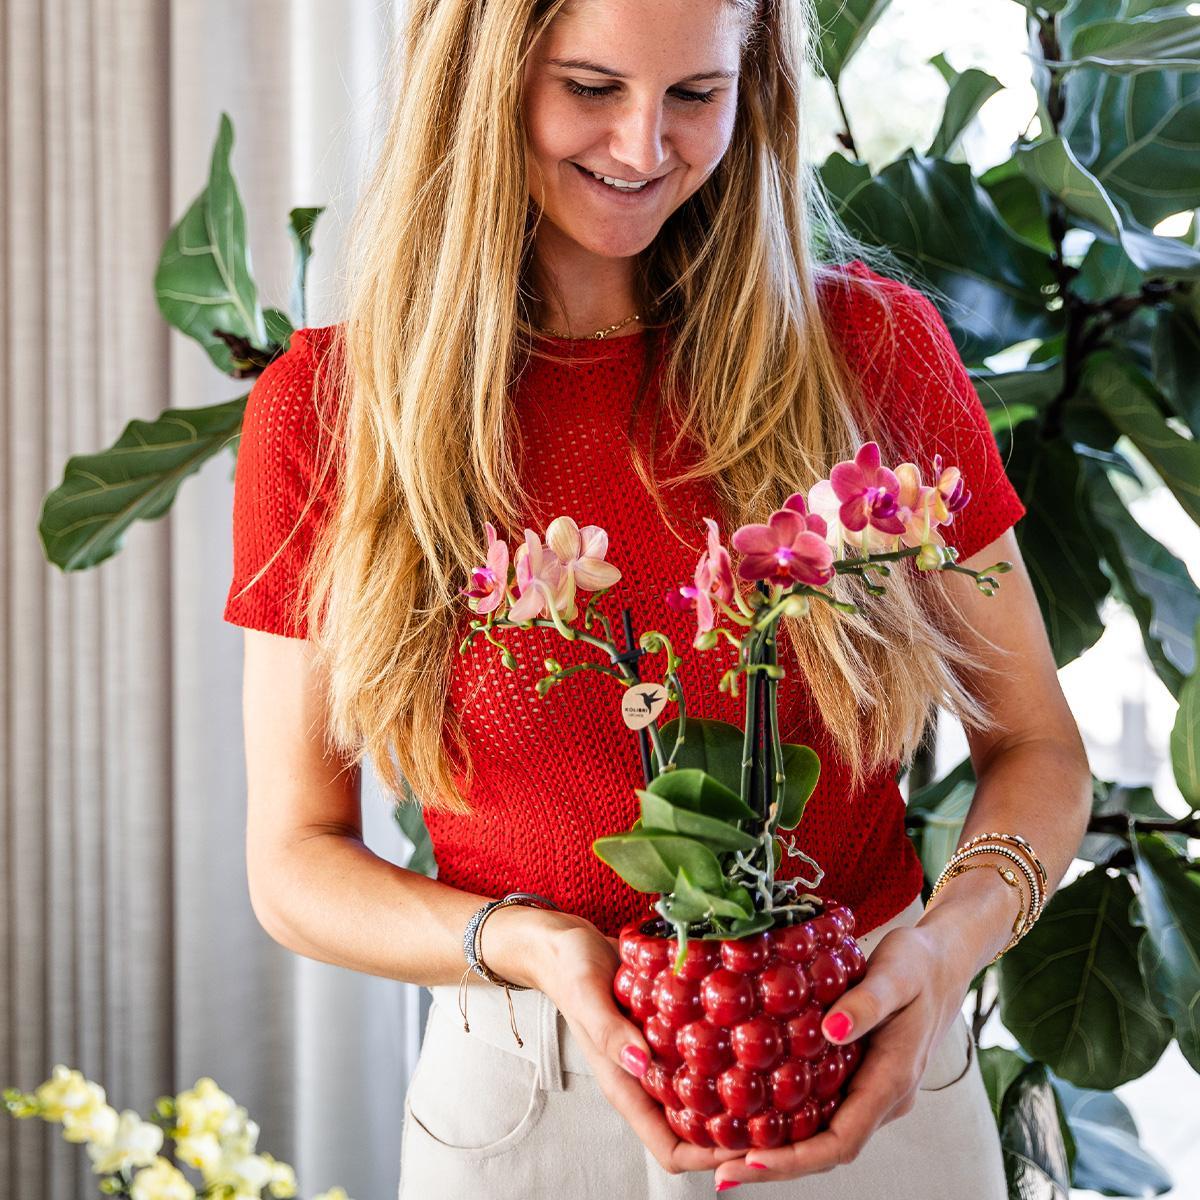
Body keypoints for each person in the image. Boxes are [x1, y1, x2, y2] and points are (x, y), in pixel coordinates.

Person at [223, 0, 1092, 1196]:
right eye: (589, 88)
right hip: (529, 1096)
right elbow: (295, 859)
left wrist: (943, 954)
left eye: (694, 95)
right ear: (480, 82)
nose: (643, 149)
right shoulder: (332, 412)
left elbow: (1038, 748)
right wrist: (527, 944)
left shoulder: (875, 355)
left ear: (756, 89)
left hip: (870, 1077)